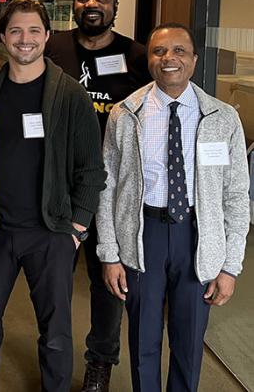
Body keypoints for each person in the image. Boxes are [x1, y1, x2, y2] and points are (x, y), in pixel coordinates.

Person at [96, 23, 249, 392]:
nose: (169, 59)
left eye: (179, 51)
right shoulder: (124, 114)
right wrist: (110, 254)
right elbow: (108, 186)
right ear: (148, 59)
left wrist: (230, 264)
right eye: (159, 51)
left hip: (198, 236)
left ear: (194, 60)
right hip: (143, 234)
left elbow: (237, 195)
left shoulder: (223, 118)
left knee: (189, 340)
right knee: (143, 338)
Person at [0, 0, 106, 392]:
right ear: (2, 37)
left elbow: (92, 169)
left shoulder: (70, 96)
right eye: (15, 30)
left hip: (51, 231)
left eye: (33, 31)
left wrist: (77, 228)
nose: (24, 39)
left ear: (47, 36)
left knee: (57, 330)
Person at [44, 0, 150, 391]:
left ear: (115, 6)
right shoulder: (52, 48)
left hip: (115, 189)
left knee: (109, 283)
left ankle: (99, 365)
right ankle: (54, 356)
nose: (92, 4)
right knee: (52, 281)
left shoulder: (139, 56)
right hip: (59, 186)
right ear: (75, 3)